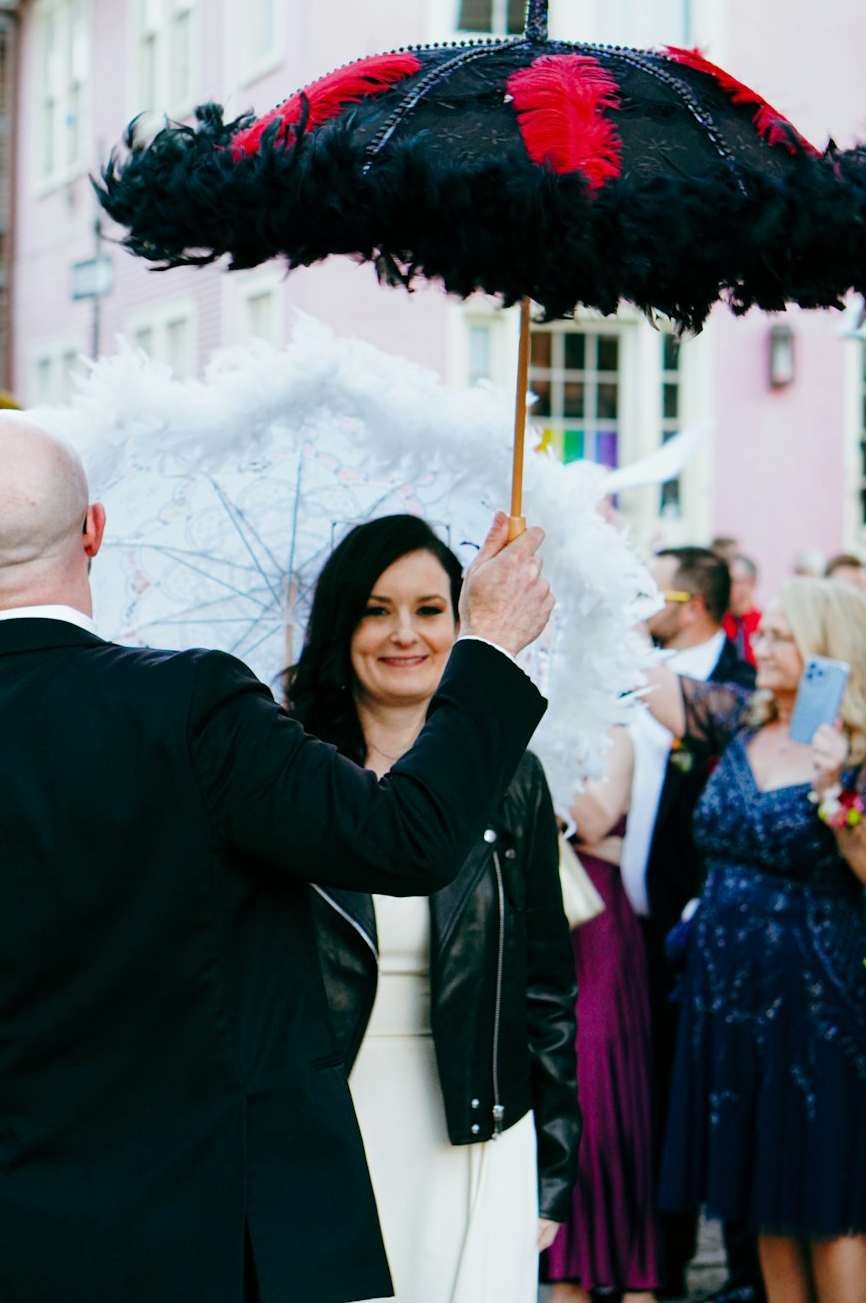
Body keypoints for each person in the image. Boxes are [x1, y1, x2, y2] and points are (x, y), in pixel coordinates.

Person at [0, 411, 557, 1303]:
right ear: (94, 529)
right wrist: (490, 644)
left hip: (24, 1231)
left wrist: (15, 1088)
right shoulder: (193, 703)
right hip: (233, 1228)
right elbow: (407, 837)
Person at [283, 514, 580, 1303]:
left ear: (463, 623)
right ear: (339, 626)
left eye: (429, 608)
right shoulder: (291, 773)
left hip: (477, 1131)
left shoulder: (511, 778)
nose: (403, 633)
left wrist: (552, 1167)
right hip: (328, 1128)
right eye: (376, 610)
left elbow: (546, 987)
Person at [643, 578, 866, 1303]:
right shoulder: (741, 719)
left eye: (778, 636)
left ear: (827, 651)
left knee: (825, 1204)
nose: (759, 646)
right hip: (728, 993)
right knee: (762, 1194)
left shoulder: (858, 749)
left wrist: (840, 792)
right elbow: (641, 677)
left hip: (816, 1000)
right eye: (761, 633)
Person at [624, 547, 760, 1302]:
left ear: (695, 602)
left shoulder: (739, 689)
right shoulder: (639, 671)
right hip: (636, 930)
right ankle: (661, 1260)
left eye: (654, 587)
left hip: (710, 939)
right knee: (655, 1101)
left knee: (720, 1102)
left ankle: (743, 1268)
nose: (645, 601)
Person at [547, 727, 661, 1303]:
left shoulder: (615, 733)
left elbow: (594, 819)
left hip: (597, 922)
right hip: (537, 909)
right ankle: (565, 1264)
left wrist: (534, 743)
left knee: (599, 1098)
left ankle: (628, 1269)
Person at [721, 553, 762, 667]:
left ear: (751, 582)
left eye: (734, 581)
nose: (728, 587)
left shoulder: (763, 623)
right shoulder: (716, 622)